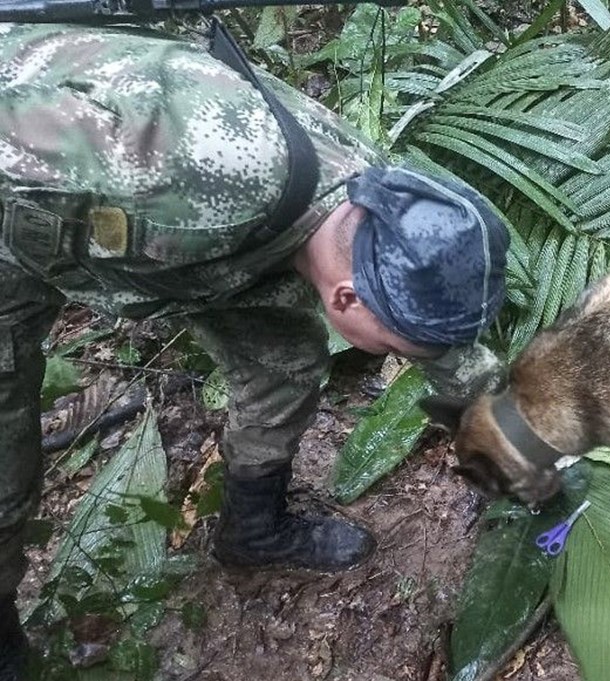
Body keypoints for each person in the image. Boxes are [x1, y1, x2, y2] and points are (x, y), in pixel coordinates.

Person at [0, 21, 509, 678]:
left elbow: (439, 337)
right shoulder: (186, 181)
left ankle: (253, 529)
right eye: (401, 350)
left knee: (285, 358)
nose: (412, 357)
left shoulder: (377, 205)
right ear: (348, 301)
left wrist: (516, 424)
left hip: (166, 233)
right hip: (22, 199)